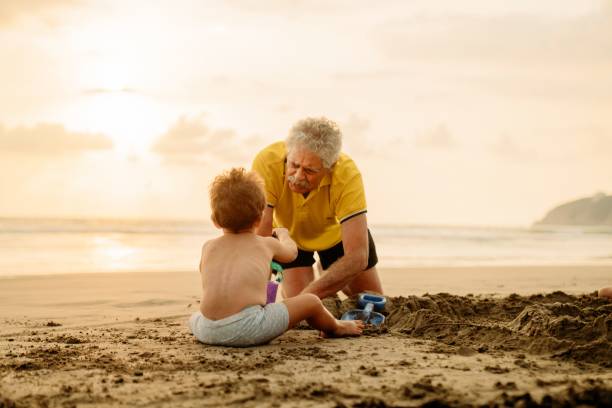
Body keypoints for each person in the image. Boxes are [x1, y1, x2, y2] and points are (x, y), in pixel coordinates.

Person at [188, 167, 364, 347]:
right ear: (259, 219)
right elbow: (292, 254)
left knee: (196, 315)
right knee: (311, 301)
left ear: (215, 221)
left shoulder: (208, 247)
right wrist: (283, 234)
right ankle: (335, 327)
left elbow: (209, 274)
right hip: (245, 329)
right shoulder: (265, 244)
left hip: (206, 328)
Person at [252, 116, 383, 300]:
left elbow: (359, 255)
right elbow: (261, 239)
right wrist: (258, 298)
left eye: (310, 171)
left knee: (372, 297)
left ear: (330, 167)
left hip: (336, 238)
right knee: (300, 306)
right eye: (294, 165)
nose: (297, 176)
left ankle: (328, 269)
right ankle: (322, 279)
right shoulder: (267, 162)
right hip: (289, 239)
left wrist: (306, 298)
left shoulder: (347, 174)